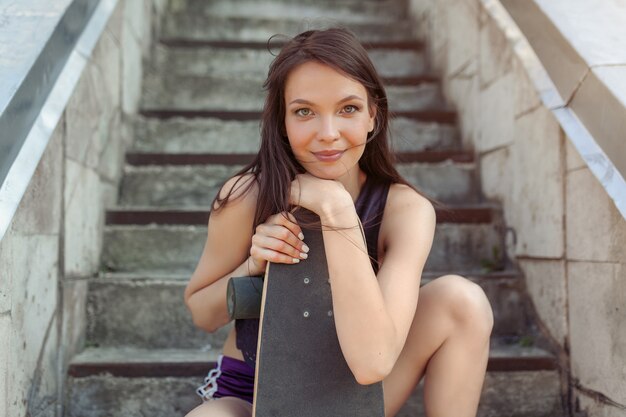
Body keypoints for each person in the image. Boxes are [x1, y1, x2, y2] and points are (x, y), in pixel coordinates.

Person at [183, 28, 494, 417]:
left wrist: (336, 210)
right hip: (253, 393)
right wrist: (252, 266)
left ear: (372, 116)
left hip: (356, 393)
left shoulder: (404, 210)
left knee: (462, 301)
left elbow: (373, 363)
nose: (328, 135)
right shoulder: (247, 195)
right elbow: (201, 312)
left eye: (347, 108)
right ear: (282, 121)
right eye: (304, 112)